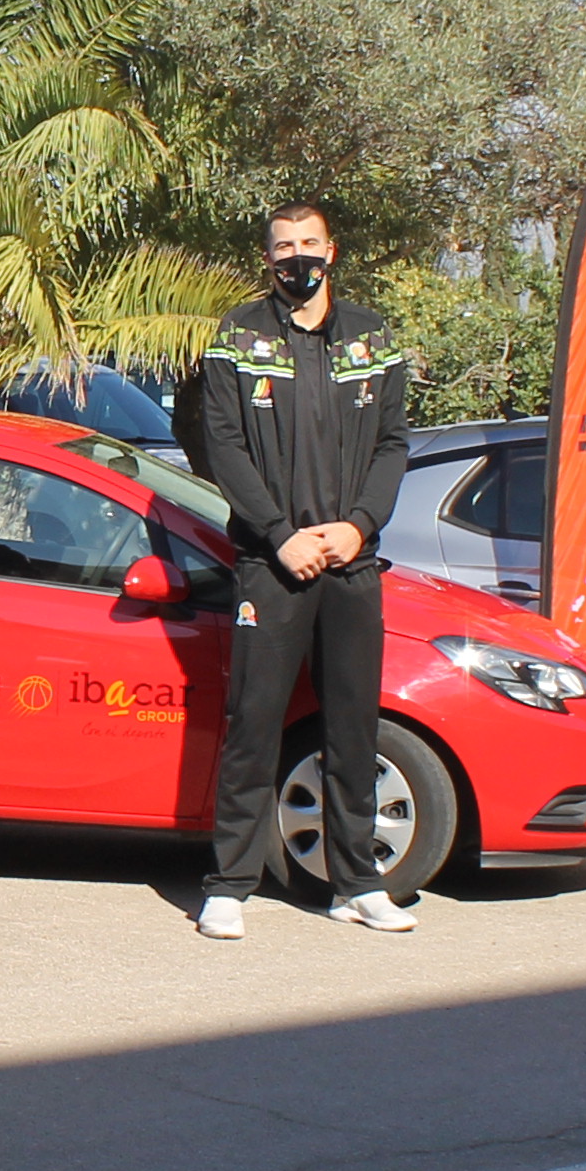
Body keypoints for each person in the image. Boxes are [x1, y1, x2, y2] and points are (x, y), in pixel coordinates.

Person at [179, 202, 420, 938]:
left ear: (331, 252)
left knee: (353, 727)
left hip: (352, 562)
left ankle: (357, 883)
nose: (297, 257)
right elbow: (222, 447)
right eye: (284, 247)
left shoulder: (371, 336)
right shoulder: (238, 337)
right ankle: (229, 884)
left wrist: (358, 526)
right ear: (268, 259)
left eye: (308, 244)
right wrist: (280, 536)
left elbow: (393, 444)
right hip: (271, 565)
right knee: (252, 723)